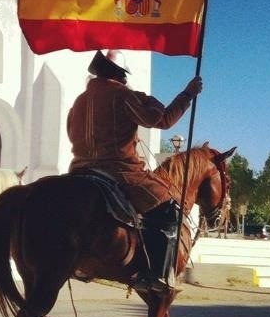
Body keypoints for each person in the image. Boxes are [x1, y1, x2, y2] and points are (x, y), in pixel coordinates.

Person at [67, 50, 203, 292]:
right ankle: (156, 276)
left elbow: (71, 133)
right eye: (124, 77)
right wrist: (187, 94)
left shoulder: (79, 101)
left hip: (79, 169)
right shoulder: (123, 95)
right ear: (120, 75)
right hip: (119, 171)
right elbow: (162, 120)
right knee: (169, 208)